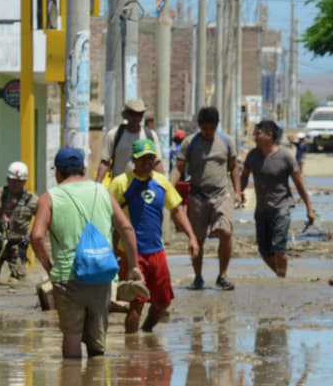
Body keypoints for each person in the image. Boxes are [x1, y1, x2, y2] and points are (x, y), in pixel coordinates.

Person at [30, 147, 138, 359]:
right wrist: (134, 266)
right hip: (102, 274)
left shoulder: (49, 197)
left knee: (72, 335)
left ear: (57, 172)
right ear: (84, 169)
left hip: (67, 277)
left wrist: (50, 267)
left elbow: (36, 237)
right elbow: (126, 228)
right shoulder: (102, 191)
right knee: (98, 340)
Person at [109, 138, 201, 333]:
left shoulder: (162, 182)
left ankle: (146, 332)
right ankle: (131, 349)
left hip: (157, 252)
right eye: (143, 159)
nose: (148, 162)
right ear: (134, 159)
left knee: (163, 302)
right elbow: (107, 213)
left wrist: (191, 236)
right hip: (132, 253)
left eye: (151, 158)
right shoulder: (120, 183)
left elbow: (176, 210)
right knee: (137, 304)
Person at [172, 106, 241, 291]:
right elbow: (179, 168)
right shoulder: (190, 143)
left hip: (221, 195)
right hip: (197, 197)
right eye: (204, 128)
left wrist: (238, 191)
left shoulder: (226, 142)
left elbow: (234, 167)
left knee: (226, 233)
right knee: (197, 239)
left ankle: (223, 276)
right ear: (199, 126)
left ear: (216, 126)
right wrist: (169, 189)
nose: (208, 132)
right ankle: (198, 277)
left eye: (211, 128)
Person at [240, 119, 318, 278]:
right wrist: (239, 191)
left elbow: (299, 183)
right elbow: (244, 175)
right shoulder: (252, 156)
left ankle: (281, 280)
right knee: (264, 250)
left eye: (258, 133)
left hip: (282, 208)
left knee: (279, 248)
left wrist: (309, 208)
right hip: (261, 210)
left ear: (270, 135)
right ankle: (281, 276)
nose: (254, 136)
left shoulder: (285, 157)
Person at [0, 160, 38, 279]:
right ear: (7, 179)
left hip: (17, 245)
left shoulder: (32, 200)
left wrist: (30, 236)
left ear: (25, 181)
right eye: (12, 180)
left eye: (19, 181)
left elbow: (44, 220)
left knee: (20, 279)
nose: (15, 184)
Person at [95, 98, 159, 185]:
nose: (136, 118)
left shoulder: (150, 136)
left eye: (139, 114)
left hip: (144, 187)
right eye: (133, 114)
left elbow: (157, 163)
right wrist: (97, 185)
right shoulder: (114, 135)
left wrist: (164, 186)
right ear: (126, 115)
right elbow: (105, 162)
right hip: (120, 187)